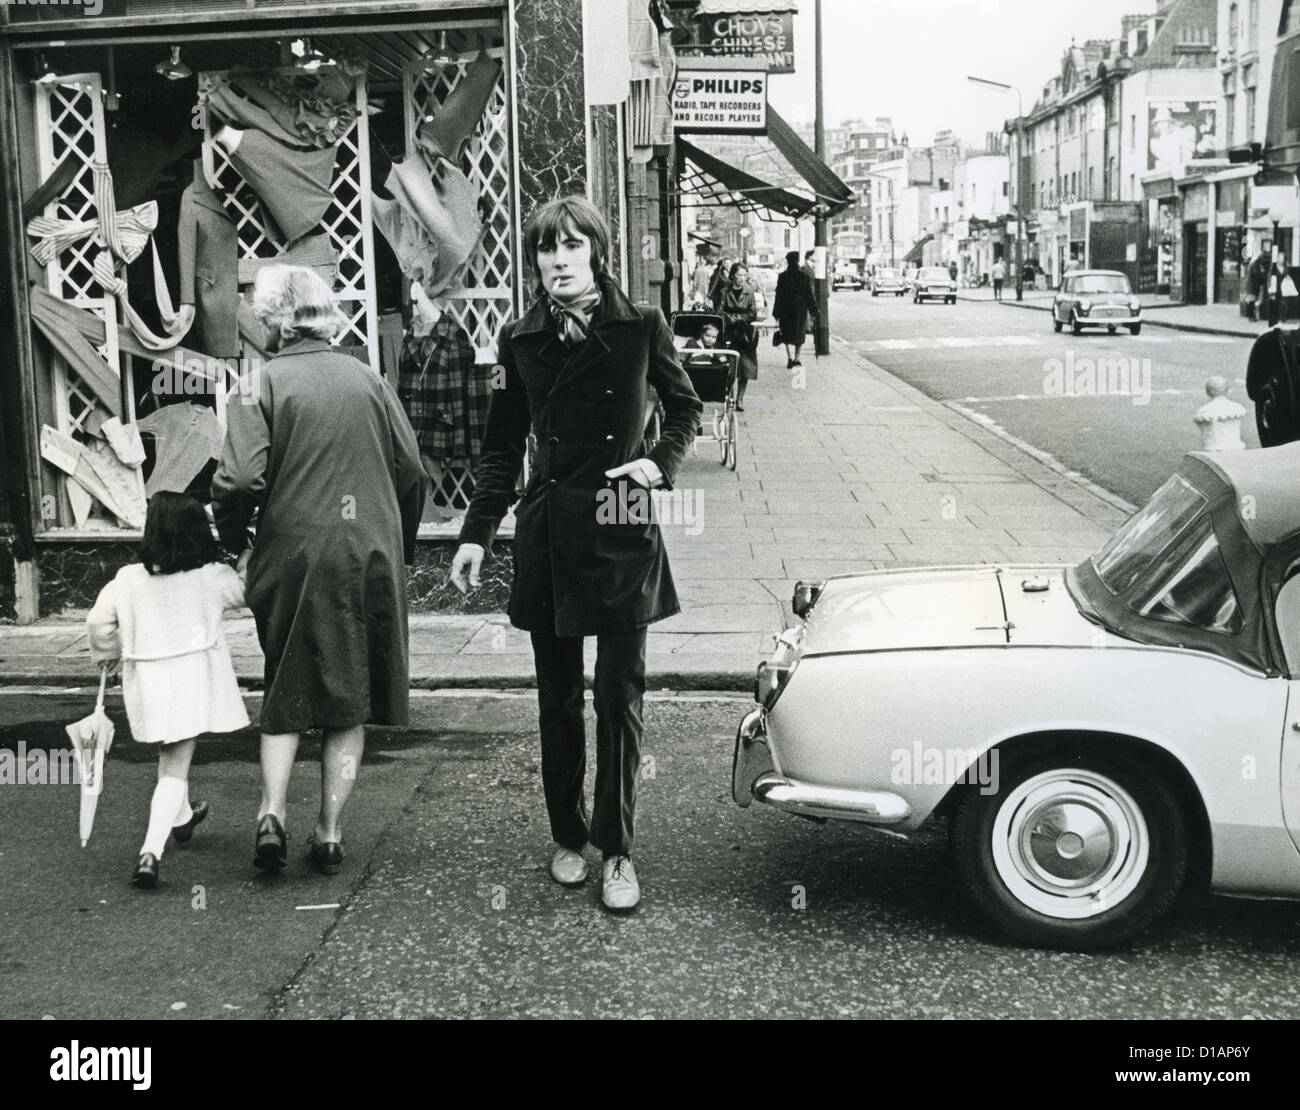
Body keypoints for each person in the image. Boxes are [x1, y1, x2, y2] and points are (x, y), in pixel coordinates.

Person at [448, 196, 702, 914]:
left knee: (618, 699)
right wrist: (475, 532)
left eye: (571, 247)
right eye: (545, 250)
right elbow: (501, 446)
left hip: (620, 515)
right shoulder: (520, 339)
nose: (558, 260)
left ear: (595, 251)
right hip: (551, 529)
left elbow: (685, 407)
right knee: (557, 702)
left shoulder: (641, 326)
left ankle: (618, 850)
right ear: (534, 261)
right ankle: (568, 836)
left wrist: (657, 464)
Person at [211, 265, 426, 876]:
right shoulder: (368, 379)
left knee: (285, 684)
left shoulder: (260, 385)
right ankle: (329, 832)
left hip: (292, 554)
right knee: (348, 697)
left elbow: (240, 479)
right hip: (367, 555)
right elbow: (411, 471)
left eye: (257, 310)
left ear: (276, 318)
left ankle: (271, 815)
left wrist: (235, 544)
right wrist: (396, 543)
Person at [86, 492, 251, 888]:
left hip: (148, 683)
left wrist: (108, 655)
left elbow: (96, 622)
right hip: (192, 680)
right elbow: (248, 592)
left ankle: (182, 818)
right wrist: (246, 553)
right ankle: (150, 852)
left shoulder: (127, 579)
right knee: (175, 765)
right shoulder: (210, 577)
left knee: (169, 754)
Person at [720, 261, 759, 410]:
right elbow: (720, 310)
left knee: (745, 368)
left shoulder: (750, 291)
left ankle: (740, 399)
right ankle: (729, 396)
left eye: (744, 275)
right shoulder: (724, 292)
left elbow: (753, 313)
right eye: (738, 275)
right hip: (729, 333)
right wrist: (729, 318)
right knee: (729, 367)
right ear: (732, 276)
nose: (741, 278)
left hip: (745, 335)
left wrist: (736, 318)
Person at [773, 249, 818, 369]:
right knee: (799, 334)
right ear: (797, 260)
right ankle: (797, 358)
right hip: (799, 310)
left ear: (787, 261)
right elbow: (809, 296)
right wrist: (814, 310)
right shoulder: (804, 277)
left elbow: (779, 295)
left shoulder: (782, 277)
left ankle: (789, 358)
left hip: (785, 309)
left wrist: (776, 312)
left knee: (785, 334)